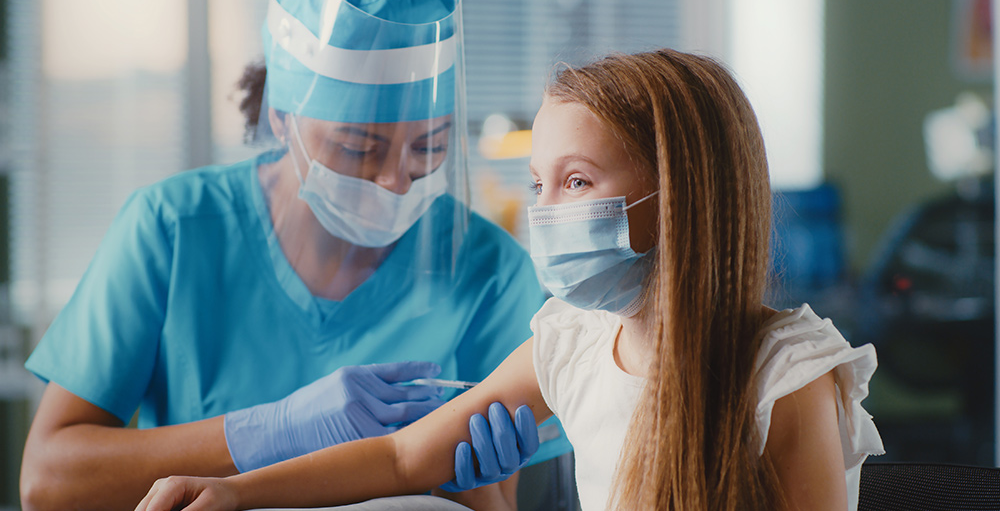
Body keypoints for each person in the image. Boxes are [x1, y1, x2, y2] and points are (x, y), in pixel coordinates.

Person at [132, 48, 885, 511]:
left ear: (681, 197)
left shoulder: (784, 376)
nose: (546, 212)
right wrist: (235, 489)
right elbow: (402, 455)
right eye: (537, 185)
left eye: (578, 181)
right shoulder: (574, 338)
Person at [19, 0, 570, 510]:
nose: (397, 181)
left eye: (429, 146)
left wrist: (470, 478)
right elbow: (48, 483)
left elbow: (506, 503)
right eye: (359, 148)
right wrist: (271, 431)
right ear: (282, 116)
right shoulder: (173, 230)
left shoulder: (488, 268)